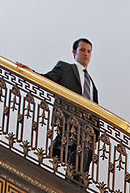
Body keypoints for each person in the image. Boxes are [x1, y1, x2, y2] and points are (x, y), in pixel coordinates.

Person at [42, 38, 98, 184]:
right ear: (74, 52)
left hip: (86, 130)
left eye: (89, 51)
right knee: (77, 149)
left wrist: (96, 137)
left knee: (85, 154)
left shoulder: (92, 85)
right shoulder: (65, 68)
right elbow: (47, 79)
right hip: (69, 122)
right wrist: (28, 72)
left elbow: (96, 113)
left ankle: (76, 185)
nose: (86, 54)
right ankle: (72, 184)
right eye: (82, 50)